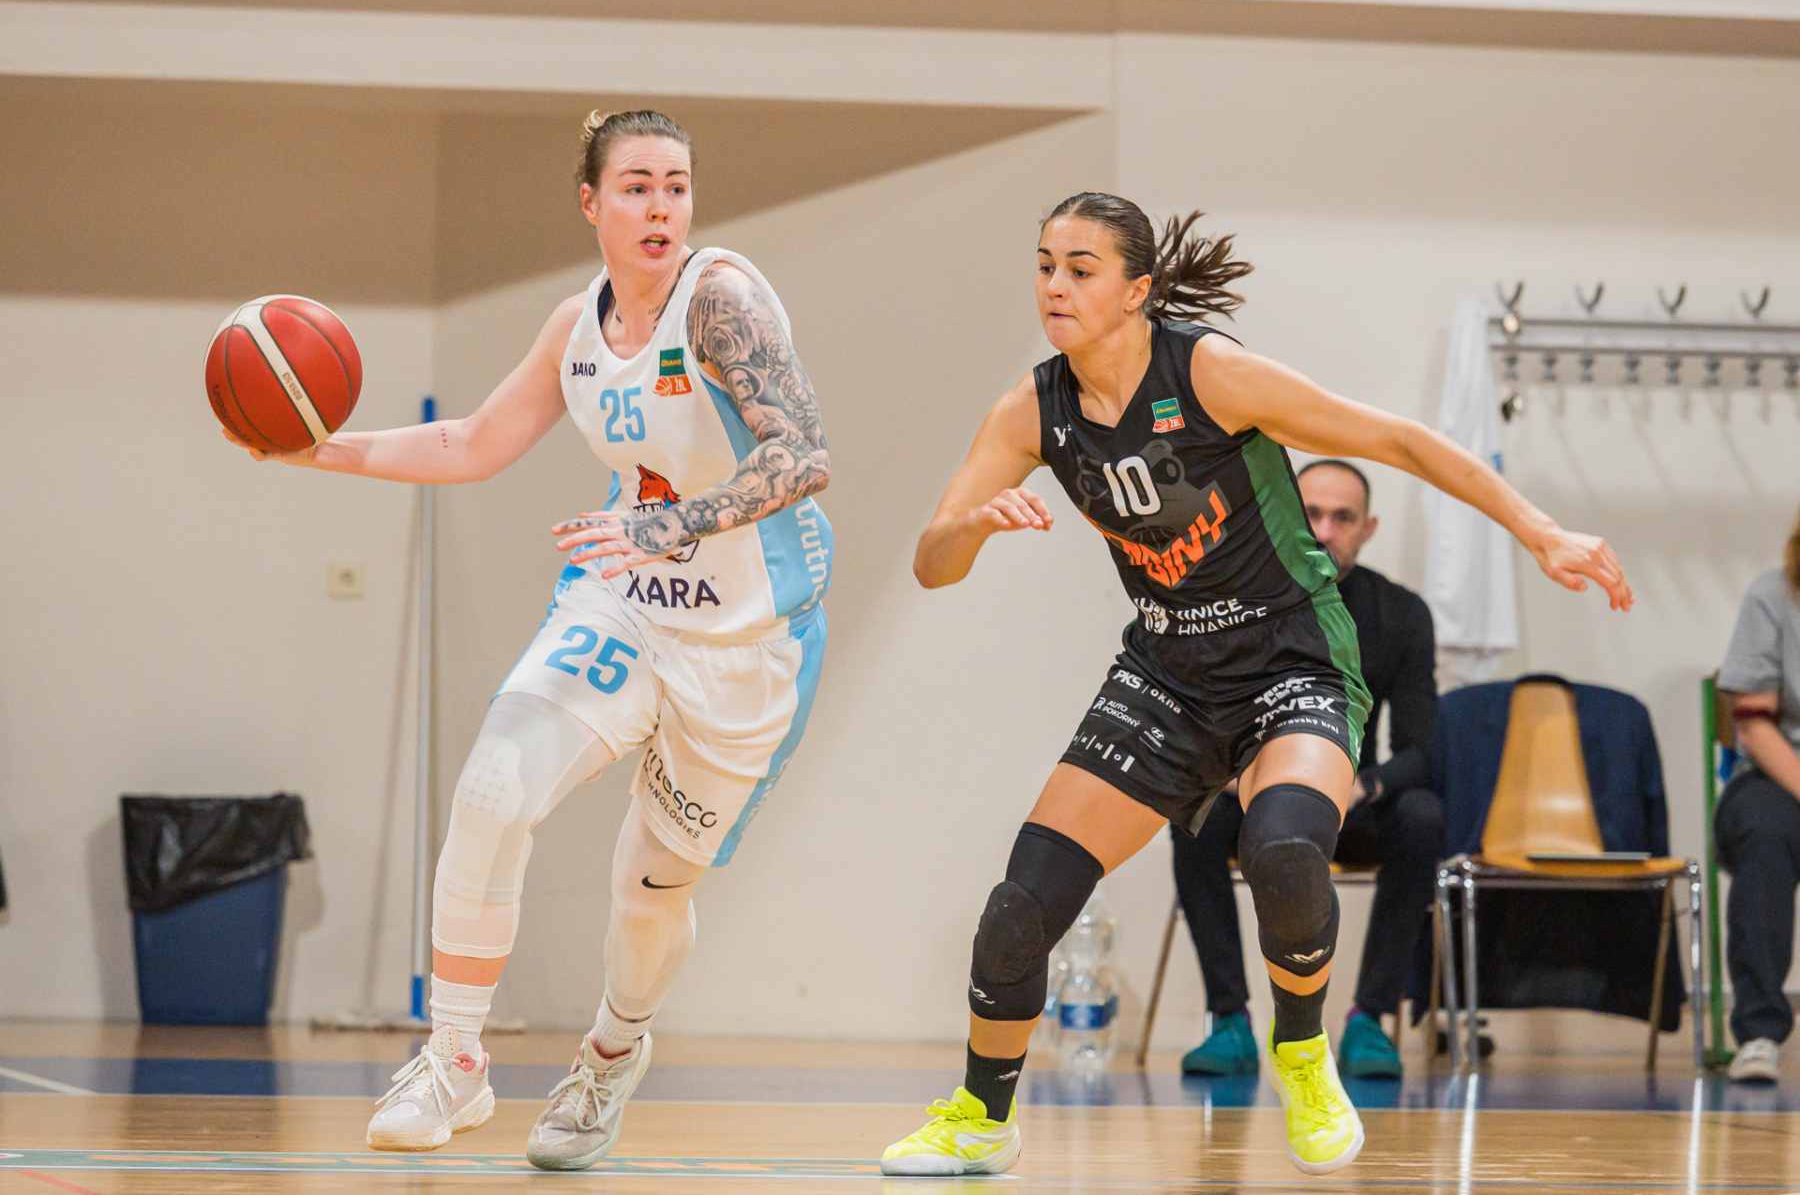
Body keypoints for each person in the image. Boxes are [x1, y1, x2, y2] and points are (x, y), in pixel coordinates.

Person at [880, 192, 1630, 1178]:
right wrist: (973, 525)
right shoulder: (1033, 409)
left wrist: (1542, 531)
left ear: (1137, 290)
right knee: (1018, 909)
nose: (1054, 286)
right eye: (1044, 265)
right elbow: (931, 563)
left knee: (1281, 850)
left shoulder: (1209, 373)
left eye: (1080, 269)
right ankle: (982, 1119)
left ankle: (1304, 1053)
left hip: (1292, 657)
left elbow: (1397, 439)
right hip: (1167, 673)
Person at [223, 109, 832, 1170]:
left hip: (749, 641)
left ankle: (610, 1055)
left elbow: (805, 454)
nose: (661, 207)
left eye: (676, 186)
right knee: (494, 785)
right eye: (636, 186)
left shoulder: (721, 299)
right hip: (626, 601)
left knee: (649, 891)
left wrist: (671, 522)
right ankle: (454, 1058)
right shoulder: (576, 327)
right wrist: (312, 450)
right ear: (591, 202)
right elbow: (470, 442)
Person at [1172, 459, 1440, 1080]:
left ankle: (1370, 1019)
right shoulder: (1232, 598)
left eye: (1342, 518)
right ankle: (1229, 1020)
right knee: (1194, 815)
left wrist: (1360, 787)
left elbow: (1422, 751)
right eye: (1311, 513)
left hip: (1350, 803)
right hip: (1257, 796)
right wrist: (1239, 780)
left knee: (1423, 816)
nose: (1324, 531)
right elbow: (1197, 722)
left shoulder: (1400, 614)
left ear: (1368, 529)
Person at [1717, 503, 1800, 1084]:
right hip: (1780, 774)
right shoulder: (1773, 596)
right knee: (1766, 832)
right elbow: (1752, 722)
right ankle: (1760, 1032)